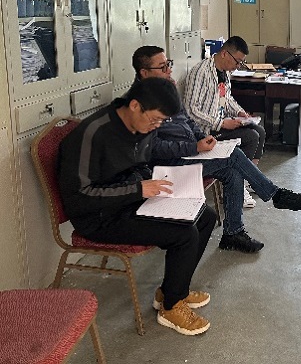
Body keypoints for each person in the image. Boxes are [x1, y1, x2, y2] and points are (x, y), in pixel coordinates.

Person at [58, 77, 216, 336]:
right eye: (154, 120)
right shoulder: (93, 134)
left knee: (205, 216)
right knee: (184, 234)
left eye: (161, 122)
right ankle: (171, 308)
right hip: (99, 217)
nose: (156, 127)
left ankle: (172, 291)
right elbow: (80, 197)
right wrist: (139, 189)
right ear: (134, 105)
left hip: (132, 199)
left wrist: (159, 181)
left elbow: (141, 161)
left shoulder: (143, 126)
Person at [132, 46, 301, 253]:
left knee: (233, 170)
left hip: (189, 153)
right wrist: (193, 146)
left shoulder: (166, 90)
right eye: (163, 67)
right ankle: (275, 195)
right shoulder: (138, 105)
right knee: (234, 156)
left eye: (169, 65)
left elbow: (187, 121)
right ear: (144, 73)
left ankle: (233, 234)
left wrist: (201, 138)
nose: (169, 71)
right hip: (168, 167)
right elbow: (152, 149)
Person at [184, 36, 266, 167]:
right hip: (206, 130)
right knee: (251, 136)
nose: (238, 66)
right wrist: (221, 123)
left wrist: (239, 112)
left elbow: (226, 98)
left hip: (221, 121)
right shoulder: (201, 72)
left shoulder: (225, 72)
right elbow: (191, 110)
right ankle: (242, 175)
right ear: (224, 54)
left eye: (241, 63)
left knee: (260, 131)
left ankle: (253, 172)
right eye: (237, 61)